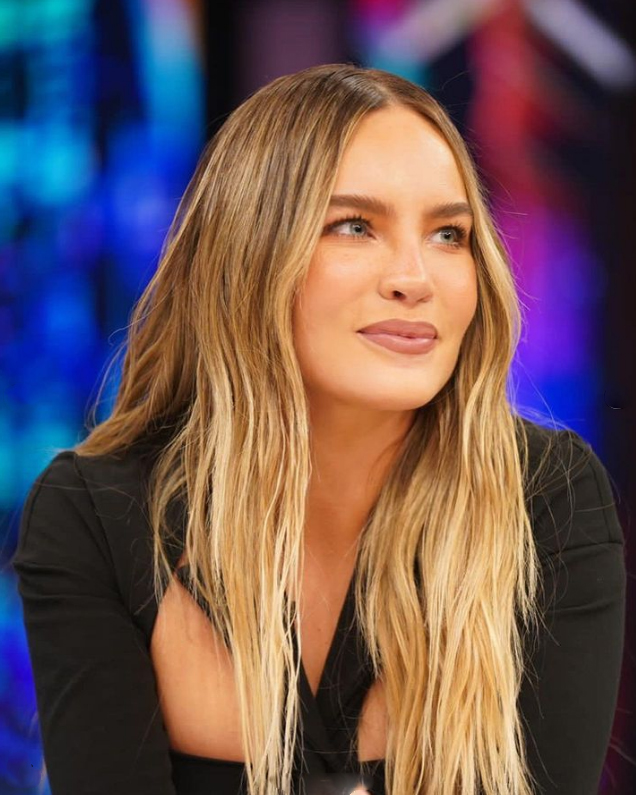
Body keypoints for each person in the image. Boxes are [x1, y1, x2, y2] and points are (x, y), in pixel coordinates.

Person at [11, 63, 625, 795]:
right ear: (248, 254)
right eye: (354, 226)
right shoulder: (93, 514)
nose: (414, 278)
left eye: (448, 234)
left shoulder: (549, 496)